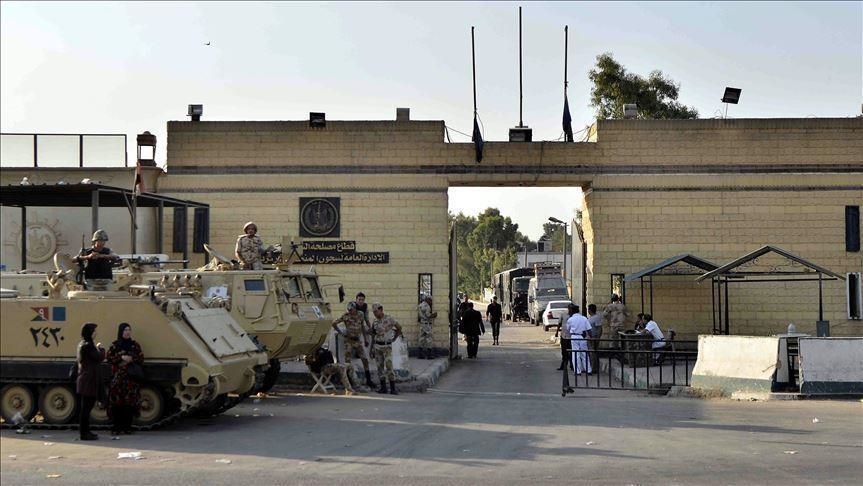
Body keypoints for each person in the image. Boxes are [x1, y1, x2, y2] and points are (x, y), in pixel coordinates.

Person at [105, 323, 144, 435]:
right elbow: (109, 358)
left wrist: (131, 358)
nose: (127, 332)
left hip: (131, 380)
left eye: (129, 330)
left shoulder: (134, 345)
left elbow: (141, 358)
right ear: (121, 332)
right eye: (125, 330)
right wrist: (121, 357)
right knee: (117, 403)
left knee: (129, 403)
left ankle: (127, 427)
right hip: (118, 379)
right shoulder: (115, 345)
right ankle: (116, 427)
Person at [331, 301, 374, 388]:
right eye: (349, 310)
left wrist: (365, 338)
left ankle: (369, 380)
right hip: (349, 341)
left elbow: (362, 326)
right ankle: (350, 381)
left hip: (358, 341)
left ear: (355, 309)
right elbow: (334, 323)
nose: (350, 311)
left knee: (365, 359)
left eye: (351, 310)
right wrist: (341, 332)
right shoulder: (345, 315)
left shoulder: (360, 314)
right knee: (348, 362)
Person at [76, 322, 105, 441]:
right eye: (94, 331)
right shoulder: (88, 346)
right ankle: (84, 433)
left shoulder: (83, 344)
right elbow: (98, 357)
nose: (96, 333)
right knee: (86, 409)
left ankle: (86, 432)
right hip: (89, 380)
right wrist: (101, 349)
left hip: (86, 379)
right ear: (90, 333)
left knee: (86, 408)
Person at [369, 302, 403, 395]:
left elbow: (399, 328)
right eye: (373, 312)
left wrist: (394, 338)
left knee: (389, 366)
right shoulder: (375, 322)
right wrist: (371, 349)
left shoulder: (389, 319)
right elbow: (373, 335)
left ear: (381, 310)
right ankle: (383, 388)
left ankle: (393, 388)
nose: (375, 314)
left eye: (376, 311)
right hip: (377, 347)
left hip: (386, 346)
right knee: (379, 367)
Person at [565, 304, 592, 375]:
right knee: (584, 353)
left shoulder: (570, 319)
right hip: (583, 337)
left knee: (575, 354)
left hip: (574, 336)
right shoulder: (584, 318)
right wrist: (591, 337)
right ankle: (588, 370)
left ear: (572, 311)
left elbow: (568, 328)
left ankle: (577, 371)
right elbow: (589, 329)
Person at [417, 294, 438, 359]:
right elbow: (428, 315)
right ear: (427, 300)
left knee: (421, 338)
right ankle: (429, 354)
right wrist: (434, 315)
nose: (431, 302)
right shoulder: (427, 306)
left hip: (422, 323)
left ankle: (420, 354)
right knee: (429, 338)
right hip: (426, 324)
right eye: (430, 300)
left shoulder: (420, 305)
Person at [587, 303, 603, 371]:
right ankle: (593, 367)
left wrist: (597, 338)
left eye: (588, 309)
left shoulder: (596, 318)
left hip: (593, 337)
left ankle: (593, 368)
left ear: (590, 310)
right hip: (590, 337)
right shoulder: (590, 318)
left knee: (592, 353)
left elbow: (599, 328)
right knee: (592, 353)